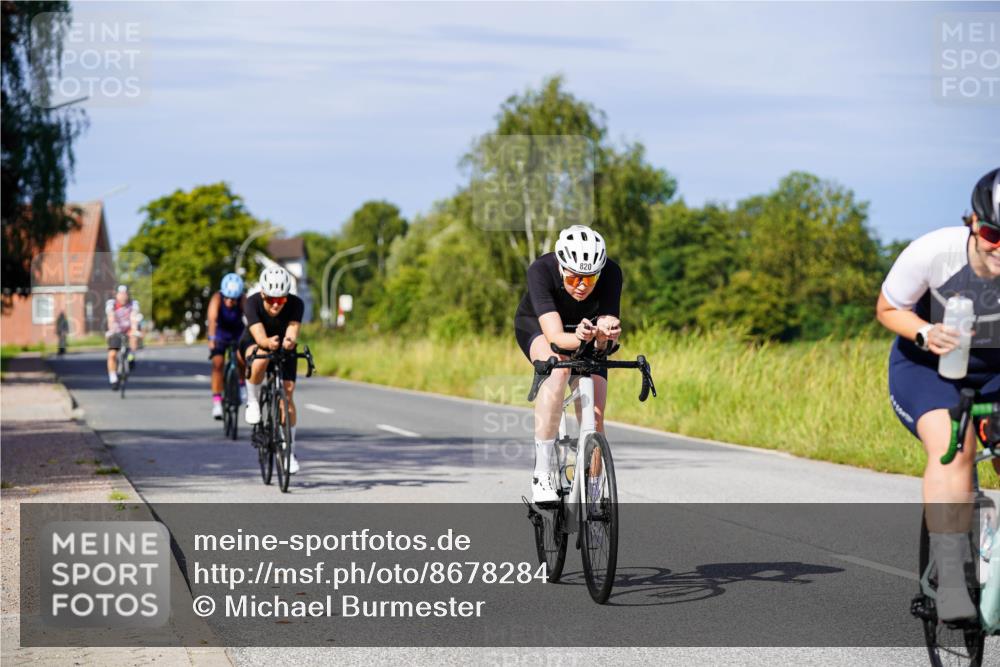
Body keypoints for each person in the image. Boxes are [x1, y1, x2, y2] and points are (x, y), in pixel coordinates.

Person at [877, 167, 1000, 622]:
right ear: (973, 222)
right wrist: (926, 333)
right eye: (992, 233)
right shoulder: (934, 252)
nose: (999, 247)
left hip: (994, 373)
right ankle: (950, 579)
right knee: (954, 445)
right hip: (927, 367)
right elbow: (889, 308)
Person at [514, 225, 623, 503]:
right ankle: (543, 470)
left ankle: (594, 483)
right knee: (559, 368)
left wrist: (605, 335)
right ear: (562, 267)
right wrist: (580, 336)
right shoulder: (540, 270)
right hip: (541, 328)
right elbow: (555, 338)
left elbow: (604, 344)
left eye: (590, 278)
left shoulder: (611, 273)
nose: (582, 286)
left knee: (596, 417)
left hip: (585, 332)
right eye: (574, 279)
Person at [238, 265, 304, 474]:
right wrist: (267, 342)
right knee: (259, 360)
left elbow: (293, 329)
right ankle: (253, 401)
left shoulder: (296, 304)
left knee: (288, 394)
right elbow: (259, 336)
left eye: (281, 300)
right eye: (271, 300)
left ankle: (289, 452)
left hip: (283, 344)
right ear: (263, 294)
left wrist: (289, 341)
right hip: (257, 340)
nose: (276, 305)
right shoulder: (252, 302)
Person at [206, 273, 247, 419]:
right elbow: (212, 319)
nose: (230, 301)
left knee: (242, 358)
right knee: (218, 363)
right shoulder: (217, 298)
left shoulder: (242, 299)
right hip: (220, 333)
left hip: (237, 332)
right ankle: (217, 403)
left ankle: (242, 385)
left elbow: (250, 317)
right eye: (227, 298)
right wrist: (212, 339)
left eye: (233, 299)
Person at [105, 285, 142, 390]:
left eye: (125, 294)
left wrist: (134, 330)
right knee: (112, 354)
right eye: (121, 294)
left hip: (129, 329)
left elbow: (133, 318)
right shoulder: (111, 304)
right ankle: (113, 379)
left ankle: (131, 357)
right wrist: (111, 330)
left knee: (133, 338)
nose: (123, 297)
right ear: (116, 295)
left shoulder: (133, 304)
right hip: (115, 330)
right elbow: (111, 318)